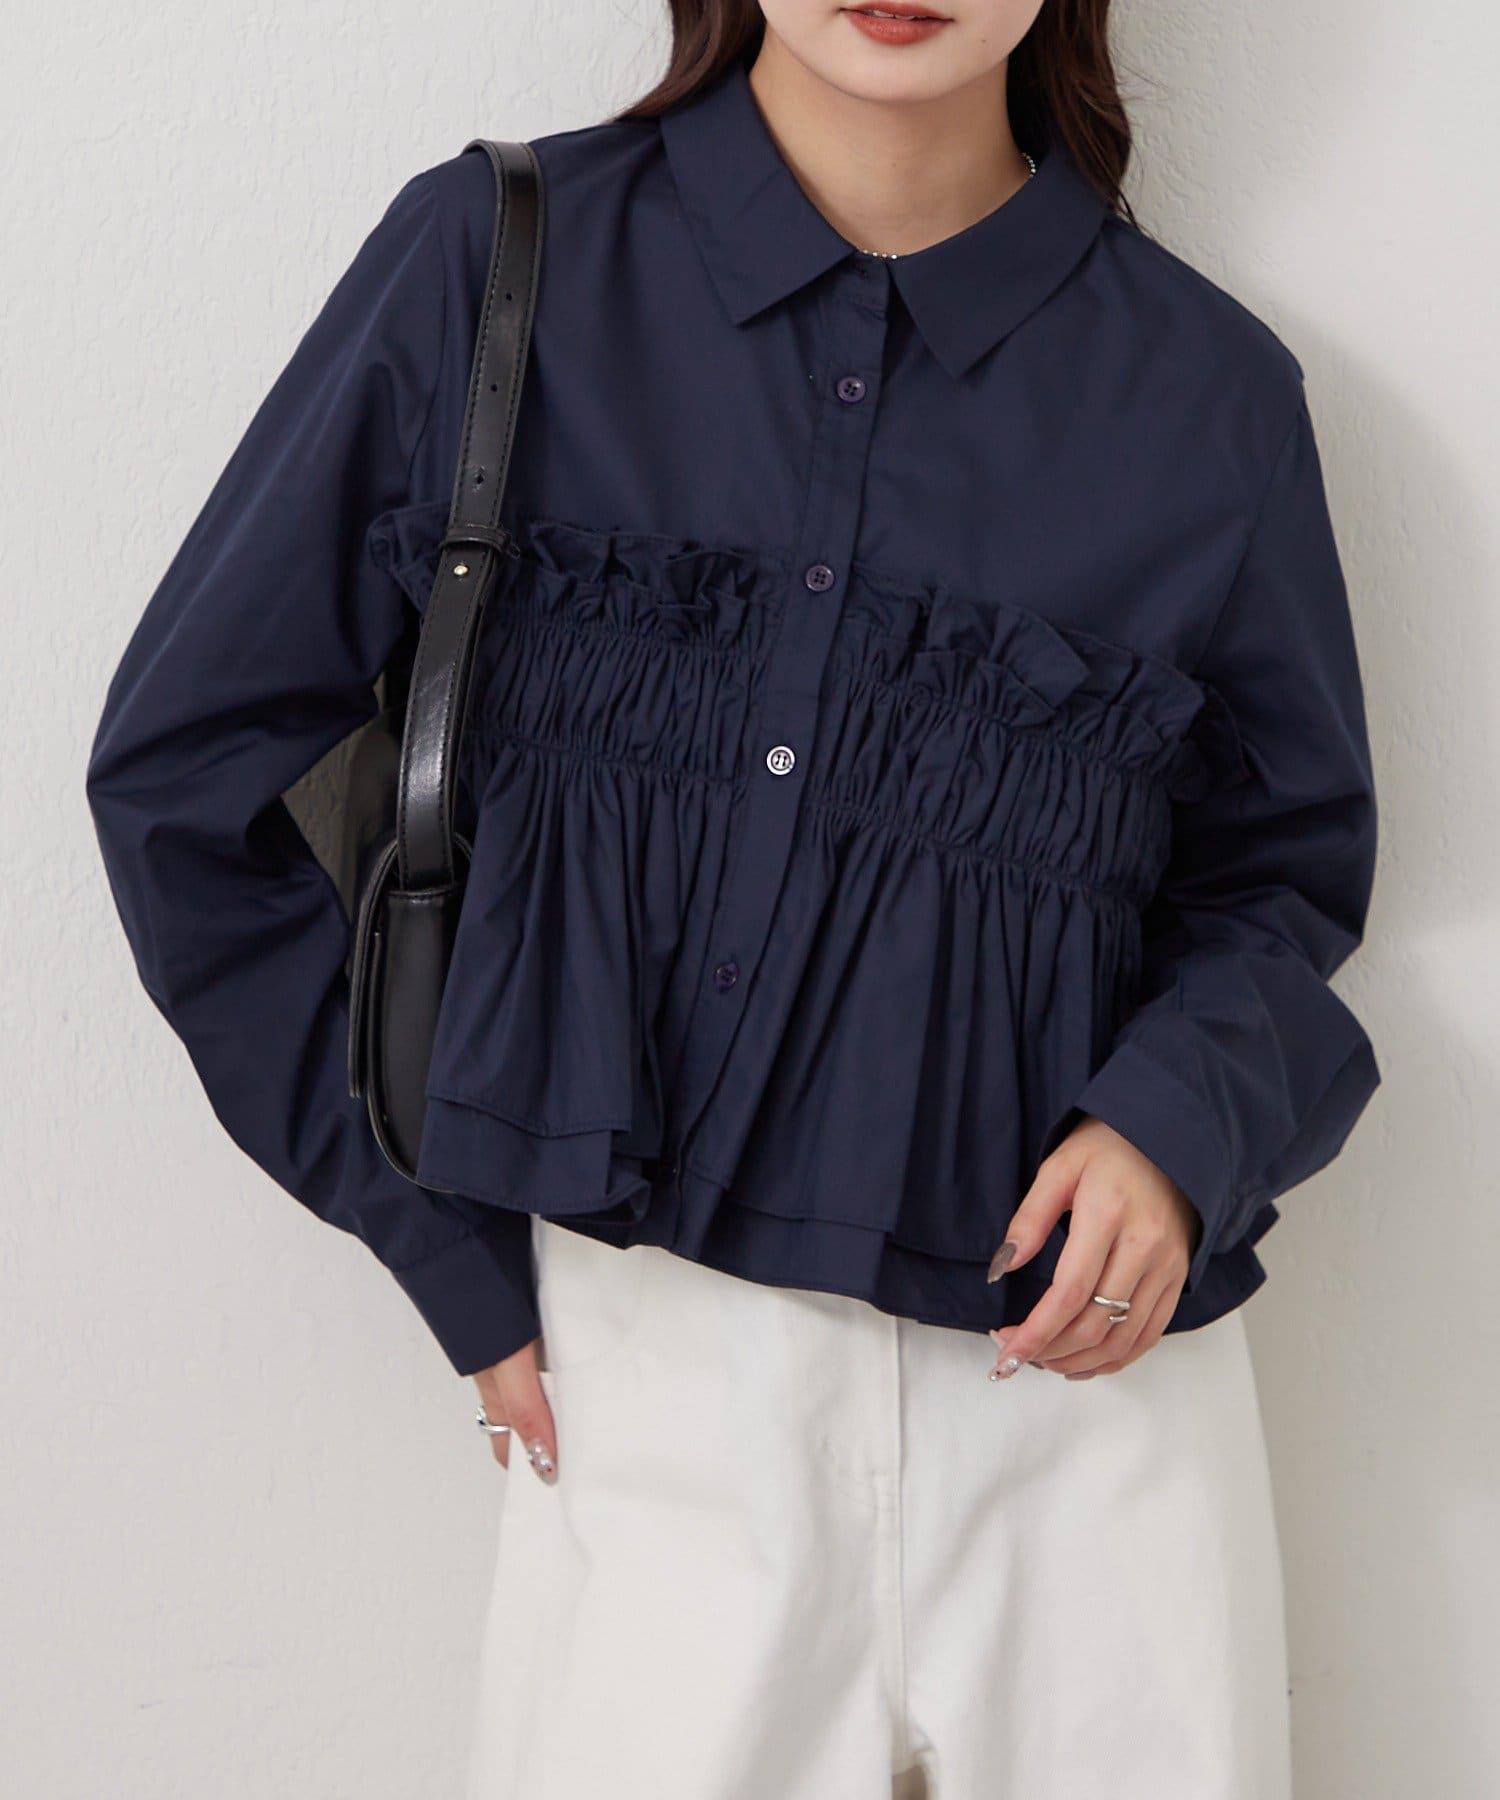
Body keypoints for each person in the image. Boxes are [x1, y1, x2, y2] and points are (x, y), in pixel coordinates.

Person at [85, 2, 1380, 1794]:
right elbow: (182, 783)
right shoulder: (497, 261)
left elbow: (1282, 876)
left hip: (1094, 1402)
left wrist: (1175, 1131)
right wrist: (441, 1239)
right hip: (642, 1368)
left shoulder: (1210, 394)